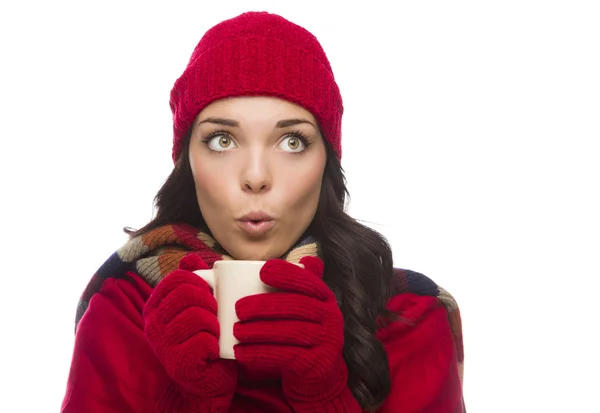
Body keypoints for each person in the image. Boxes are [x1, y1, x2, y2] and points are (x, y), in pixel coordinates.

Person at [61, 11, 465, 413]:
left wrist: (324, 398)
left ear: (327, 161)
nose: (256, 177)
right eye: (222, 140)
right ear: (187, 162)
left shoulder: (409, 316)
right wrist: (189, 401)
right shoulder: (124, 311)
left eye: (292, 141)